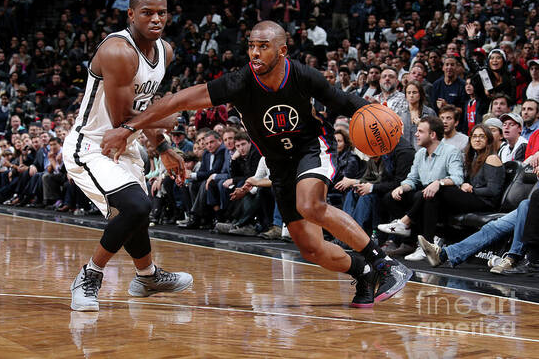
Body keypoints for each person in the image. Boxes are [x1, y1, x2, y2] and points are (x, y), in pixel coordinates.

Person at [100, 20, 412, 308]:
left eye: (263, 46)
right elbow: (178, 101)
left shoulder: (303, 75)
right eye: (251, 45)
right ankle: (363, 271)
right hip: (277, 165)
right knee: (311, 249)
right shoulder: (240, 82)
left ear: (282, 50)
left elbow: (345, 102)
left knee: (310, 205)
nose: (255, 52)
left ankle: (383, 263)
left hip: (311, 150)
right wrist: (129, 127)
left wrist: (381, 118)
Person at [62, 0, 193, 312]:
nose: (156, 19)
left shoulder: (166, 51)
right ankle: (90, 275)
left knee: (137, 213)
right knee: (134, 207)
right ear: (131, 14)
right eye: (147, 13)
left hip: (127, 146)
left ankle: (147, 277)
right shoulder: (118, 50)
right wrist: (164, 121)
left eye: (161, 13)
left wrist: (162, 147)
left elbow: (144, 108)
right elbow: (122, 117)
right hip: (91, 145)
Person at [378, 116, 464, 260]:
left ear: (432, 135)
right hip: (425, 194)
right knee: (391, 197)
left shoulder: (451, 151)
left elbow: (458, 178)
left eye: (420, 131)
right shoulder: (420, 154)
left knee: (424, 195)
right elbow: (412, 179)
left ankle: (412, 232)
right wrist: (402, 188)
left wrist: (438, 183)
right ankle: (410, 239)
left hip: (444, 196)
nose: (416, 134)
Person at [399, 81, 436, 151]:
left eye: (414, 92)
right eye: (409, 93)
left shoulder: (430, 113)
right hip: (404, 153)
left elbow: (436, 134)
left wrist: (422, 125)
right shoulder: (400, 113)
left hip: (424, 151)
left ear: (420, 94)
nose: (411, 95)